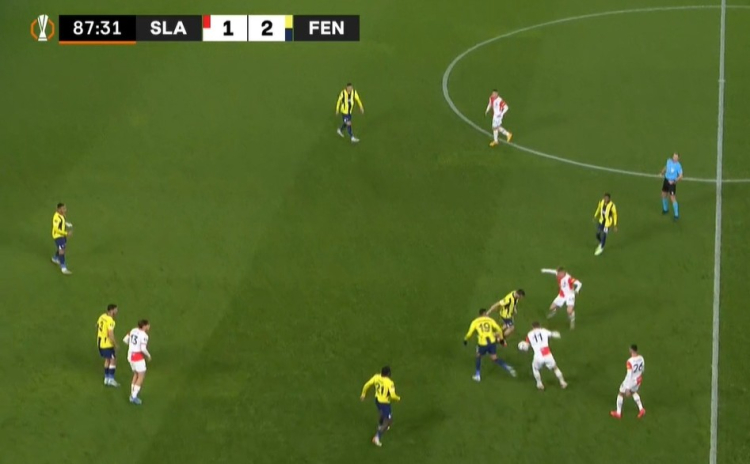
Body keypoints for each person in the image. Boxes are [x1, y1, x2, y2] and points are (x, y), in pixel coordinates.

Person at [463, 308, 516, 381]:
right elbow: (498, 329)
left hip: (483, 343)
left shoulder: (475, 322)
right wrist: (501, 338)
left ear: (479, 315)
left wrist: (465, 339)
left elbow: (470, 332)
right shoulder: (490, 320)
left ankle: (477, 375)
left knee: (478, 356)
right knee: (494, 358)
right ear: (484, 314)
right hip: (492, 342)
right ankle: (507, 367)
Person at [520, 322, 567, 390]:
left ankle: (540, 384)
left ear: (532, 327)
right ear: (539, 326)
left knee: (535, 369)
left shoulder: (529, 334)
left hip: (538, 356)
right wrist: (558, 335)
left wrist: (522, 347)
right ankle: (563, 382)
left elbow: (526, 345)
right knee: (555, 368)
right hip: (547, 353)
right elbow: (553, 334)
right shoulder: (544, 331)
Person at [360, 366, 400, 447]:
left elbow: (367, 384)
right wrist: (398, 398)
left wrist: (363, 394)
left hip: (377, 400)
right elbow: (392, 395)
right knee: (389, 421)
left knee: (382, 413)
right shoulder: (390, 383)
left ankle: (380, 425)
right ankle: (377, 437)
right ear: (388, 374)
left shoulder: (376, 377)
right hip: (384, 403)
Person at [610, 344, 646, 419]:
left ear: (631, 350)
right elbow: (642, 369)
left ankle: (618, 413)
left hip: (631, 381)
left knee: (621, 393)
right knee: (634, 392)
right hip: (638, 379)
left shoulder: (630, 361)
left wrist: (627, 388)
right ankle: (641, 409)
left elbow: (629, 375)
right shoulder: (641, 358)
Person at [123, 319, 152, 405]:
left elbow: (125, 340)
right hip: (137, 356)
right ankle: (133, 397)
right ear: (144, 326)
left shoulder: (133, 330)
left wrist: (132, 346)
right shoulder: (144, 336)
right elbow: (143, 348)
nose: (149, 326)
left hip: (130, 355)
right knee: (141, 376)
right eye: (148, 325)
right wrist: (148, 355)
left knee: (136, 374)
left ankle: (132, 394)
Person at [96, 304, 119, 387]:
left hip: (99, 341)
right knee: (113, 359)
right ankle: (111, 379)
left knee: (107, 359)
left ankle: (106, 378)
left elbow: (97, 325)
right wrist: (115, 345)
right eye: (116, 310)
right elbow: (110, 335)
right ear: (112, 310)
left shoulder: (102, 316)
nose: (117, 311)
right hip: (106, 344)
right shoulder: (110, 321)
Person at [660, 153, 683, 220]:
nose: (674, 158)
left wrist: (674, 181)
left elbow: (681, 176)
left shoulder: (678, 166)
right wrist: (662, 172)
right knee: (663, 194)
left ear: (678, 159)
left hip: (672, 183)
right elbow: (666, 167)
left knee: (672, 198)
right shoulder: (669, 161)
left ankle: (676, 214)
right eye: (674, 157)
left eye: (676, 157)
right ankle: (665, 209)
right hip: (666, 180)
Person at [51, 203, 73, 274]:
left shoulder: (61, 215)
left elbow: (62, 222)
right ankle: (63, 268)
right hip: (58, 236)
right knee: (62, 250)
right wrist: (66, 233)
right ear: (58, 209)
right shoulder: (56, 218)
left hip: (62, 235)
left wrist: (66, 224)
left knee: (63, 247)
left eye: (65, 208)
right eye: (63, 208)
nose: (65, 210)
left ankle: (55, 258)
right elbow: (56, 229)